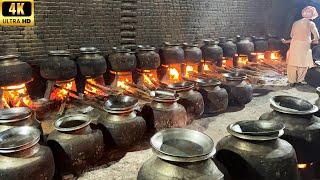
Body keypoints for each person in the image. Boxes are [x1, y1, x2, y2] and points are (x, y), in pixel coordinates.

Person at [282, 6, 320, 87]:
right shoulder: (311, 23)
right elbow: (317, 36)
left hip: (294, 45)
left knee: (292, 64)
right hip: (304, 46)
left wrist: (285, 41)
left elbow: (292, 36)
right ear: (312, 14)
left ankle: (292, 81)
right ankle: (300, 80)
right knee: (303, 64)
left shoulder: (295, 23)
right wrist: (314, 40)